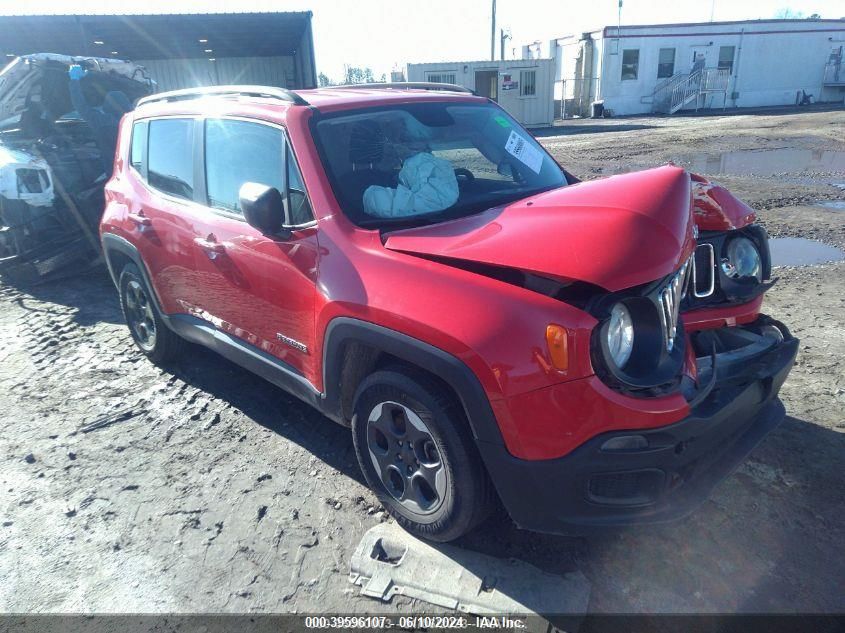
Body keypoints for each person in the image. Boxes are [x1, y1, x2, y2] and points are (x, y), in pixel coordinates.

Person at [68, 64, 132, 175]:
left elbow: (80, 105)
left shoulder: (103, 121)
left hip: (114, 170)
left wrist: (74, 81)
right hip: (137, 170)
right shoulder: (135, 120)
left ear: (108, 105)